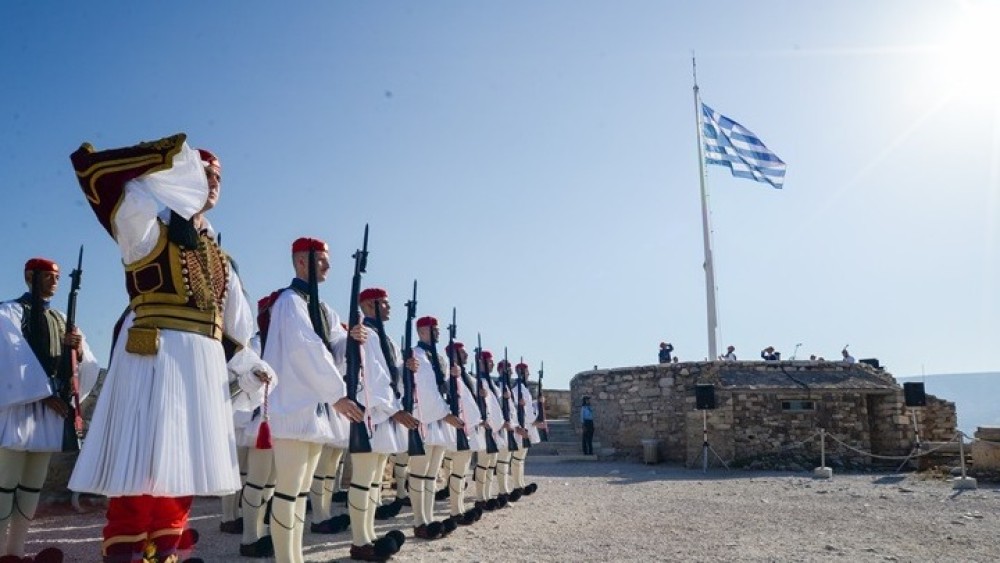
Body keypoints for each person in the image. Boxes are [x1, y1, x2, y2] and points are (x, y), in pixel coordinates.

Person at [69, 137, 276, 563]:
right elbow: (125, 193)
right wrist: (172, 168)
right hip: (155, 358)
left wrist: (250, 366)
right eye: (205, 174)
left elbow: (234, 327)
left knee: (180, 470)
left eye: (218, 177)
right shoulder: (145, 227)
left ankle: (165, 553)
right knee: (141, 466)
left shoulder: (220, 256)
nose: (213, 183)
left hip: (201, 365)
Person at [257, 237, 370, 563]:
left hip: (313, 410)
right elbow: (304, 349)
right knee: (289, 490)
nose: (328, 266)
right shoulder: (290, 302)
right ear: (301, 261)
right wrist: (337, 396)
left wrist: (350, 340)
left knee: (300, 491)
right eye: (321, 259)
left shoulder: (323, 308)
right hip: (292, 406)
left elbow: (332, 349)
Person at [0, 258, 102, 563]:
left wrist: (78, 348)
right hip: (17, 409)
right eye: (48, 276)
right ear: (30, 275)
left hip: (50, 414)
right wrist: (43, 395)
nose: (54, 281)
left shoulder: (62, 319)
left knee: (32, 487)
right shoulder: (8, 312)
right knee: (5, 487)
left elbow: (86, 366)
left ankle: (15, 554)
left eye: (57, 277)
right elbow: (9, 354)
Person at [348, 286, 421, 560]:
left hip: (383, 414)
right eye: (384, 303)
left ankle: (367, 535)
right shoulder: (366, 333)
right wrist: (394, 410)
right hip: (372, 413)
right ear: (369, 305)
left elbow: (391, 376)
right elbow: (374, 378)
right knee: (363, 481)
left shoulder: (383, 337)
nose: (389, 308)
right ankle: (359, 540)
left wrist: (406, 370)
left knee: (374, 481)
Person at [407, 316, 464, 540]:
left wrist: (454, 378)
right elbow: (424, 390)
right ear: (422, 331)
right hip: (425, 417)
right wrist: (446, 414)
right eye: (434, 330)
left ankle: (429, 518)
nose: (438, 334)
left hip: (439, 420)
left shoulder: (439, 358)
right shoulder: (415, 355)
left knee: (432, 475)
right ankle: (418, 521)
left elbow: (445, 389)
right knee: (419, 473)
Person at [511, 362, 541, 496]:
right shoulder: (519, 389)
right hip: (522, 426)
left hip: (525, 425)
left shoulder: (522, 388)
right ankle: (518, 485)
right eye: (527, 372)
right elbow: (526, 411)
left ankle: (521, 483)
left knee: (520, 459)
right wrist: (535, 420)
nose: (528, 374)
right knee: (518, 459)